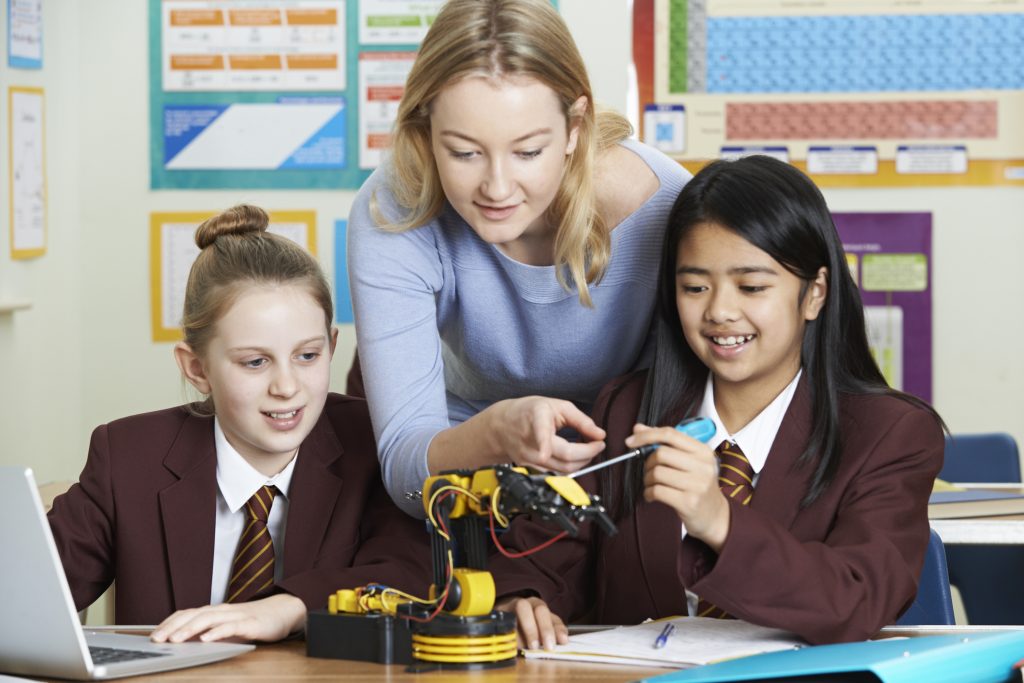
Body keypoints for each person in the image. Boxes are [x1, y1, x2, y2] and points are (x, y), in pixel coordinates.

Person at [492, 155, 946, 647]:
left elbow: (858, 600)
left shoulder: (890, 433)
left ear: (814, 293)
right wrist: (523, 598)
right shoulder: (626, 409)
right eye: (694, 287)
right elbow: (545, 557)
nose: (720, 312)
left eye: (751, 286)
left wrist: (719, 521)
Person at [348, 0, 691, 516]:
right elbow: (406, 476)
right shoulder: (392, 210)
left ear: (575, 127)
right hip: (462, 460)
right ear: (424, 132)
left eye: (528, 151)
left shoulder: (666, 206)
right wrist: (494, 435)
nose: (497, 187)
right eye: (464, 152)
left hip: (620, 470)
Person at [48, 205, 430, 643]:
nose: (287, 387)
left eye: (308, 355)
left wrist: (290, 608)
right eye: (254, 362)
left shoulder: (376, 443)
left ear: (332, 345)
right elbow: (35, 588)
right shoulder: (129, 457)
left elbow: (415, 571)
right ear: (197, 369)